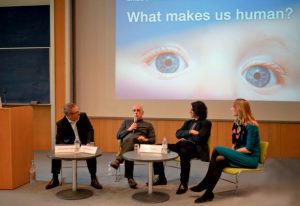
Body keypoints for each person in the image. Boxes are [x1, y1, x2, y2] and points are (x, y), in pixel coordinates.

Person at [191, 98, 260, 203]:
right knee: (219, 160)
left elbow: (249, 149)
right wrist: (232, 153)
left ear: (239, 109)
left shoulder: (251, 126)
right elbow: (234, 143)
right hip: (240, 155)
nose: (230, 108)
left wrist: (232, 153)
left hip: (250, 159)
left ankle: (205, 182)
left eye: (233, 107)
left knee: (217, 149)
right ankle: (208, 193)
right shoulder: (237, 123)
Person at [45, 103, 103, 190]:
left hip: (83, 144)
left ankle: (93, 178)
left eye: (78, 111)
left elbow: (90, 130)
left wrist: (88, 142)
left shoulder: (83, 116)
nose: (79, 113)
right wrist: (65, 147)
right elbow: (59, 140)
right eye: (77, 112)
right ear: (69, 115)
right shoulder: (61, 124)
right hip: (70, 146)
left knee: (91, 154)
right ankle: (55, 178)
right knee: (55, 153)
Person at [110, 104, 166, 188]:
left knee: (131, 144)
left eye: (138, 110)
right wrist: (129, 129)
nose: (136, 112)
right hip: (127, 146)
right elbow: (118, 136)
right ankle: (130, 178)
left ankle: (118, 161)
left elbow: (153, 140)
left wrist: (145, 139)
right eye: (134, 110)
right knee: (129, 145)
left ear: (142, 112)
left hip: (142, 146)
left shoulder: (148, 124)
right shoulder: (126, 122)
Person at [173, 101, 212, 195]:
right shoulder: (188, 122)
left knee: (184, 152)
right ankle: (161, 177)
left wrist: (186, 137)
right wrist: (190, 132)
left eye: (191, 109)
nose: (189, 111)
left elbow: (200, 138)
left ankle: (183, 183)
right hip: (183, 145)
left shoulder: (206, 123)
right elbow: (178, 134)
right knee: (161, 148)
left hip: (196, 149)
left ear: (197, 110)